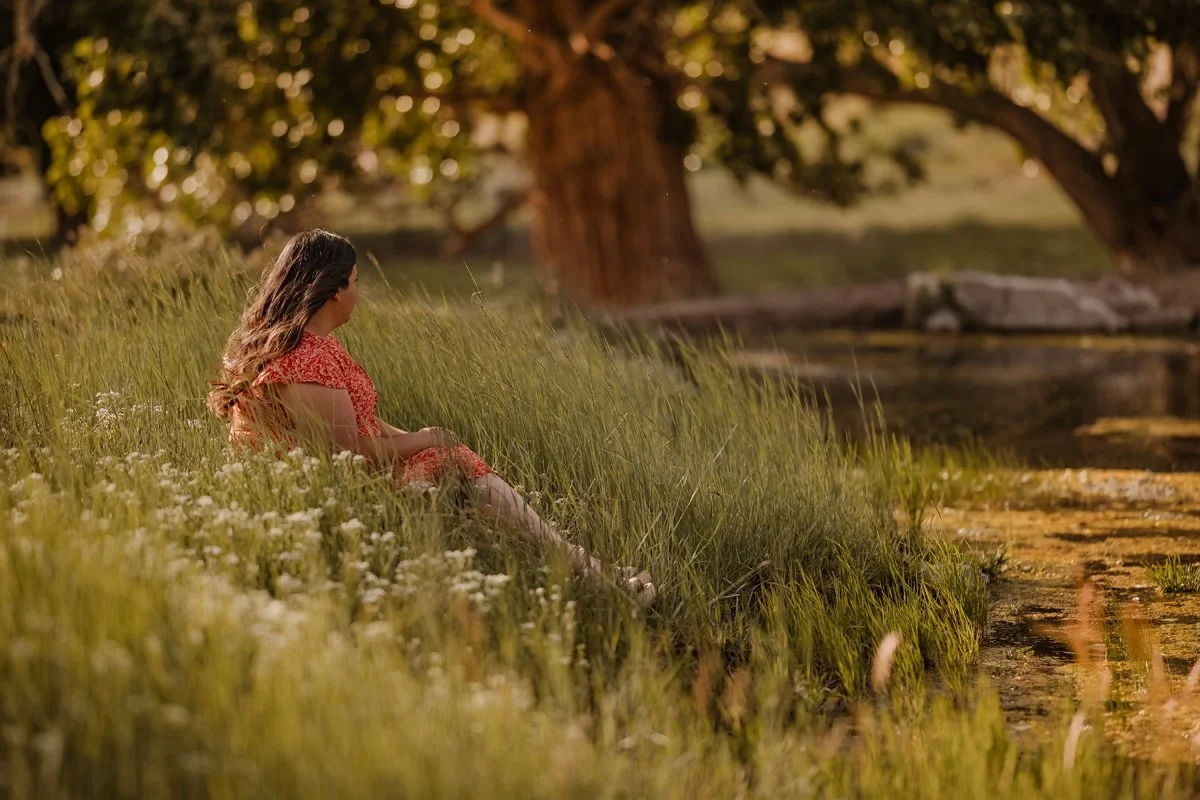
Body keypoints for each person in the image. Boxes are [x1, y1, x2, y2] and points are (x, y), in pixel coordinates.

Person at [207, 229, 655, 606]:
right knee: (454, 466)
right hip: (325, 492)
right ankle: (586, 575)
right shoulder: (307, 360)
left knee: (456, 466)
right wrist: (427, 441)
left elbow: (366, 424)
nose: (358, 293)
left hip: (342, 475)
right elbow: (352, 454)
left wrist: (427, 438)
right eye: (356, 282)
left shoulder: (317, 348)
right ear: (335, 289)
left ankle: (574, 572)